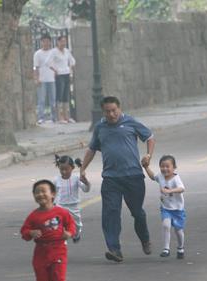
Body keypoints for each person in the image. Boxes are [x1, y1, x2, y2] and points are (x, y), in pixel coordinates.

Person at [80, 96, 155, 262]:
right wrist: (83, 169)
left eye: (114, 110)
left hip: (133, 176)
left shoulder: (130, 122)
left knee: (137, 213)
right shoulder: (100, 128)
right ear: (103, 112)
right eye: (108, 111)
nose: (112, 114)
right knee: (110, 213)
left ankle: (145, 238)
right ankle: (114, 249)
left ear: (119, 109)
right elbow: (92, 149)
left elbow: (149, 137)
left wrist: (148, 155)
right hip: (111, 178)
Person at [20, 180, 76, 281]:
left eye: (43, 191)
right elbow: (24, 232)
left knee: (59, 280)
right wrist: (31, 233)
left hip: (58, 250)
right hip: (41, 252)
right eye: (37, 192)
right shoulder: (33, 216)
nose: (40, 194)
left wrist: (69, 233)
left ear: (53, 194)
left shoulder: (62, 212)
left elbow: (71, 225)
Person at [142, 155, 187, 259]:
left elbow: (182, 189)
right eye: (162, 166)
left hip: (177, 210)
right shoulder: (161, 177)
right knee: (166, 225)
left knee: (178, 230)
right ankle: (166, 248)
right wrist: (146, 167)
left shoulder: (176, 178)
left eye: (167, 166)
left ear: (174, 168)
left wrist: (170, 191)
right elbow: (153, 177)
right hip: (166, 208)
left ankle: (180, 248)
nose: (165, 169)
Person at [53, 154, 90, 243]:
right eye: (62, 169)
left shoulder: (76, 178)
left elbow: (86, 189)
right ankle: (62, 245)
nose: (64, 172)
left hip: (74, 207)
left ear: (72, 168)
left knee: (77, 226)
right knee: (60, 226)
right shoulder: (56, 180)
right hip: (60, 206)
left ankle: (76, 235)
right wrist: (52, 204)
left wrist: (86, 182)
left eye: (66, 169)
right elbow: (52, 193)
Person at [46, 35, 76, 123]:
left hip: (67, 74)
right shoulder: (53, 52)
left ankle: (67, 117)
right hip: (59, 75)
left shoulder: (67, 51)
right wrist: (55, 70)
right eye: (62, 41)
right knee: (60, 95)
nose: (63, 43)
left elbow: (73, 61)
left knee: (66, 95)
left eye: (64, 41)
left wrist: (70, 68)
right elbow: (47, 62)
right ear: (58, 42)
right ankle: (60, 117)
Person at [33, 35, 57, 124]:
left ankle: (54, 117)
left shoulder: (53, 53)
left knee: (53, 99)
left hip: (51, 79)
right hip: (42, 79)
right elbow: (36, 67)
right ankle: (41, 117)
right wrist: (36, 78)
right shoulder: (37, 54)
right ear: (41, 42)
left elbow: (55, 65)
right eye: (44, 41)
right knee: (41, 100)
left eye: (48, 41)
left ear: (50, 42)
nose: (46, 43)